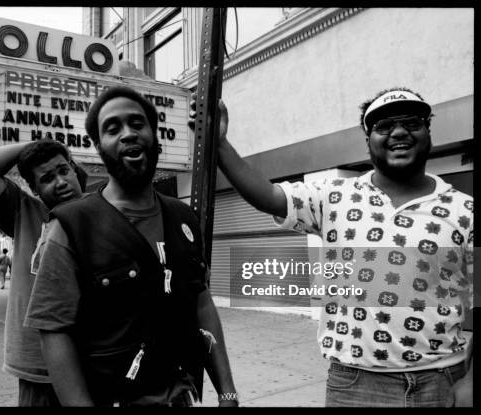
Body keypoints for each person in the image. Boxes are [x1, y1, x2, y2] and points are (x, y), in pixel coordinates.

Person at [191, 87, 473, 407]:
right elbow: (268, 196)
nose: (398, 132)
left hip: (441, 381)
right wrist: (219, 144)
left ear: (427, 131)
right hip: (356, 385)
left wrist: (473, 380)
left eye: (412, 122)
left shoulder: (464, 210)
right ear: (368, 139)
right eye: (383, 126)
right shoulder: (334, 196)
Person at [24, 86, 237, 407]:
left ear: (155, 134)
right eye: (112, 128)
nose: (127, 134)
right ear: (98, 147)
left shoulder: (183, 218)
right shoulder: (69, 227)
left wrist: (228, 393)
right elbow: (54, 333)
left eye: (137, 124)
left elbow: (201, 305)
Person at [0, 140, 87, 407]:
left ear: (75, 170)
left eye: (64, 170)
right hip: (39, 367)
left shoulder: (102, 213)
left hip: (94, 360)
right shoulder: (24, 211)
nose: (61, 182)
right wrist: (39, 145)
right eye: (47, 178)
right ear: (35, 188)